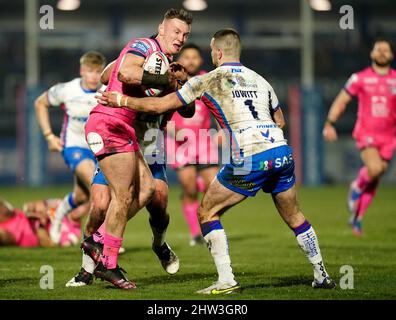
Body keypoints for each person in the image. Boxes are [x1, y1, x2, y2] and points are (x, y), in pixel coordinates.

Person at [97, 28, 336, 294]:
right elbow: (280, 120)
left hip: (250, 157)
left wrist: (121, 99)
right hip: (281, 153)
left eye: (212, 50)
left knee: (207, 212)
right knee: (295, 217)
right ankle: (321, 275)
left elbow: (160, 106)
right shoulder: (260, 80)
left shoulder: (210, 79)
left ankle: (226, 280)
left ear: (219, 52)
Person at [82, 8, 193, 289]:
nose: (180, 39)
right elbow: (125, 73)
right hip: (109, 124)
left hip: (133, 134)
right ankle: (103, 263)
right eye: (176, 32)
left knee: (149, 192)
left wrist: (183, 81)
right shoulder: (143, 46)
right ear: (161, 28)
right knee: (114, 199)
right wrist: (166, 80)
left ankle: (97, 242)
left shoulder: (165, 64)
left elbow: (187, 109)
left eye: (185, 35)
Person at [323, 38, 396, 236]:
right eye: (378, 49)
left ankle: (357, 217)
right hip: (367, 133)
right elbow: (342, 100)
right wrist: (330, 122)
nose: (382, 52)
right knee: (374, 168)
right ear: (371, 54)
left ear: (391, 55)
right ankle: (356, 186)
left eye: (386, 50)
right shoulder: (359, 78)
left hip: (390, 137)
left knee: (376, 176)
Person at [34, 51, 106, 244]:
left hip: (100, 150)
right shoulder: (66, 90)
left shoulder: (107, 91)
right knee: (98, 188)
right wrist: (49, 136)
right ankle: (101, 240)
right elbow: (40, 103)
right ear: (82, 70)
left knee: (82, 196)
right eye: (90, 71)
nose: (93, 76)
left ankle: (58, 215)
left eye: (98, 72)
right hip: (74, 147)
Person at [167, 44, 219, 246]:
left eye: (194, 57)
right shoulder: (171, 82)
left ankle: (211, 229)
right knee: (189, 189)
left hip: (205, 141)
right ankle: (196, 234)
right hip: (180, 144)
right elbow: (163, 109)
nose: (190, 60)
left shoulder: (208, 80)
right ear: (180, 61)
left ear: (200, 61)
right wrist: (171, 129)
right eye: (186, 57)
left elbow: (217, 107)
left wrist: (222, 130)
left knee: (213, 189)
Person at [0, 199, 88, 248]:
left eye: (2, 204)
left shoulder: (15, 213)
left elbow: (30, 205)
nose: (4, 205)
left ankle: (94, 201)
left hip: (48, 219)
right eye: (1, 205)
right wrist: (41, 223)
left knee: (39, 206)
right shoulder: (6, 231)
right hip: (42, 235)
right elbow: (47, 243)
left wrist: (30, 210)